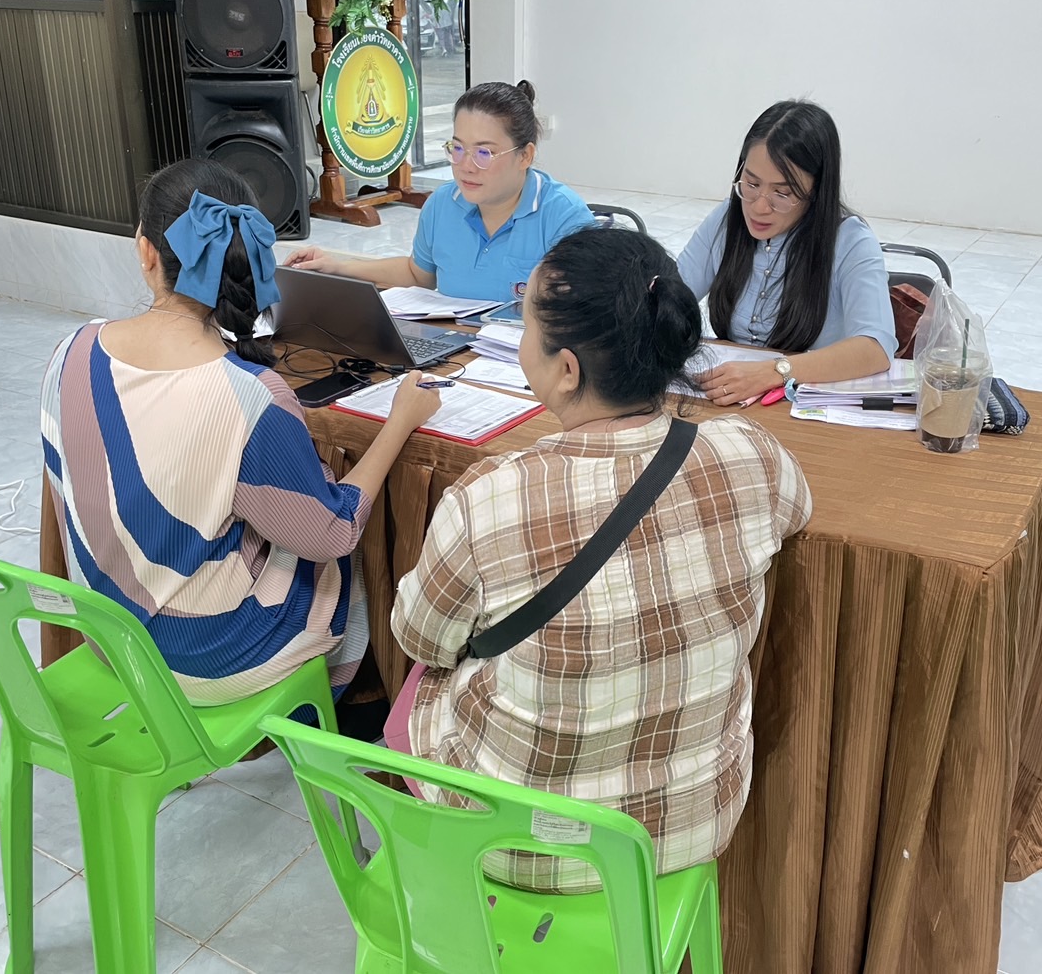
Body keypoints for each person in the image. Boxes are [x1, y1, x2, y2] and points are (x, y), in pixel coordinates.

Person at [386, 226, 813, 893]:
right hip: (693, 823)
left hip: (520, 846)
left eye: (524, 322)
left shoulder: (490, 497)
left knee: (421, 690)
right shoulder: (751, 453)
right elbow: (797, 511)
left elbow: (420, 640)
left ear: (566, 370)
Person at [40, 158, 441, 705]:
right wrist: (399, 422)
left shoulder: (72, 350)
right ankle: (363, 702)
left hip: (110, 637)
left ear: (145, 251)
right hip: (205, 663)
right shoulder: (251, 395)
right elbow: (332, 532)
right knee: (342, 546)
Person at [283, 81, 595, 301]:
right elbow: (418, 274)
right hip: (455, 353)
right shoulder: (443, 203)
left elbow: (586, 314)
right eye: (457, 148)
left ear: (524, 156)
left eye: (484, 153)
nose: (466, 166)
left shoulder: (563, 216)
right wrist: (336, 266)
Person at [678, 100, 897, 406]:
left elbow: (875, 348)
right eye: (751, 183)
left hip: (803, 408)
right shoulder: (727, 219)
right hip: (730, 403)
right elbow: (672, 296)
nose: (759, 206)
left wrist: (774, 371)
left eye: (782, 193)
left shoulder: (850, 240)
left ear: (816, 191)